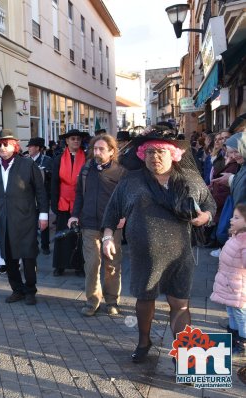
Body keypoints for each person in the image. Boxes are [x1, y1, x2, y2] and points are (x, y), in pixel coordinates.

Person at [102, 127, 215, 363]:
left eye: (161, 152)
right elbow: (112, 210)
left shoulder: (190, 179)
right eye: (150, 152)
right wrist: (107, 237)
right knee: (145, 300)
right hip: (144, 254)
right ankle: (144, 342)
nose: (155, 157)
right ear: (143, 154)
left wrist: (205, 217)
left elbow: (210, 205)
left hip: (179, 254)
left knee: (180, 304)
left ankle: (185, 355)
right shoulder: (131, 180)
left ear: (174, 154)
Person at [0, 129, 49, 305]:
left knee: (27, 256)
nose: (2, 148)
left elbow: (40, 192)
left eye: (6, 144)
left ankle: (30, 290)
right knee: (9, 257)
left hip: (25, 218)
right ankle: (17, 289)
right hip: (3, 220)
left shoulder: (27, 165)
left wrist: (43, 215)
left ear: (14, 146)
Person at [67, 135, 126, 316]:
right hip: (89, 224)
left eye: (101, 149)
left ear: (111, 151)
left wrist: (124, 216)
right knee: (92, 264)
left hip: (113, 225)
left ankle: (112, 300)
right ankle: (92, 301)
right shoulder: (86, 170)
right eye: (95, 149)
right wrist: (75, 215)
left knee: (112, 265)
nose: (97, 152)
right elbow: (79, 194)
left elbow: (126, 197)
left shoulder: (121, 172)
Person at [51, 129, 88, 276]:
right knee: (62, 235)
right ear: (67, 141)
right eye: (72, 139)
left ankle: (79, 266)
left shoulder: (87, 157)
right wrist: (53, 203)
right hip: (63, 202)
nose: (76, 141)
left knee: (79, 235)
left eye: (78, 139)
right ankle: (60, 265)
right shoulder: (58, 159)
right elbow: (54, 183)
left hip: (81, 202)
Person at [210, 203, 246, 354]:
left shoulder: (244, 241)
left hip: (238, 287)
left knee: (240, 315)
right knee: (232, 312)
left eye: (236, 217)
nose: (231, 219)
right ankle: (232, 339)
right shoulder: (236, 236)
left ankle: (242, 344)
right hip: (229, 284)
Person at [27, 137, 52, 255]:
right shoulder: (26, 160)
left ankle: (45, 245)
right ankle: (34, 244)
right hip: (29, 196)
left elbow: (51, 177)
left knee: (43, 220)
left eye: (31, 146)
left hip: (43, 195)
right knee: (31, 220)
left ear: (38, 148)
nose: (28, 148)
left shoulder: (46, 160)